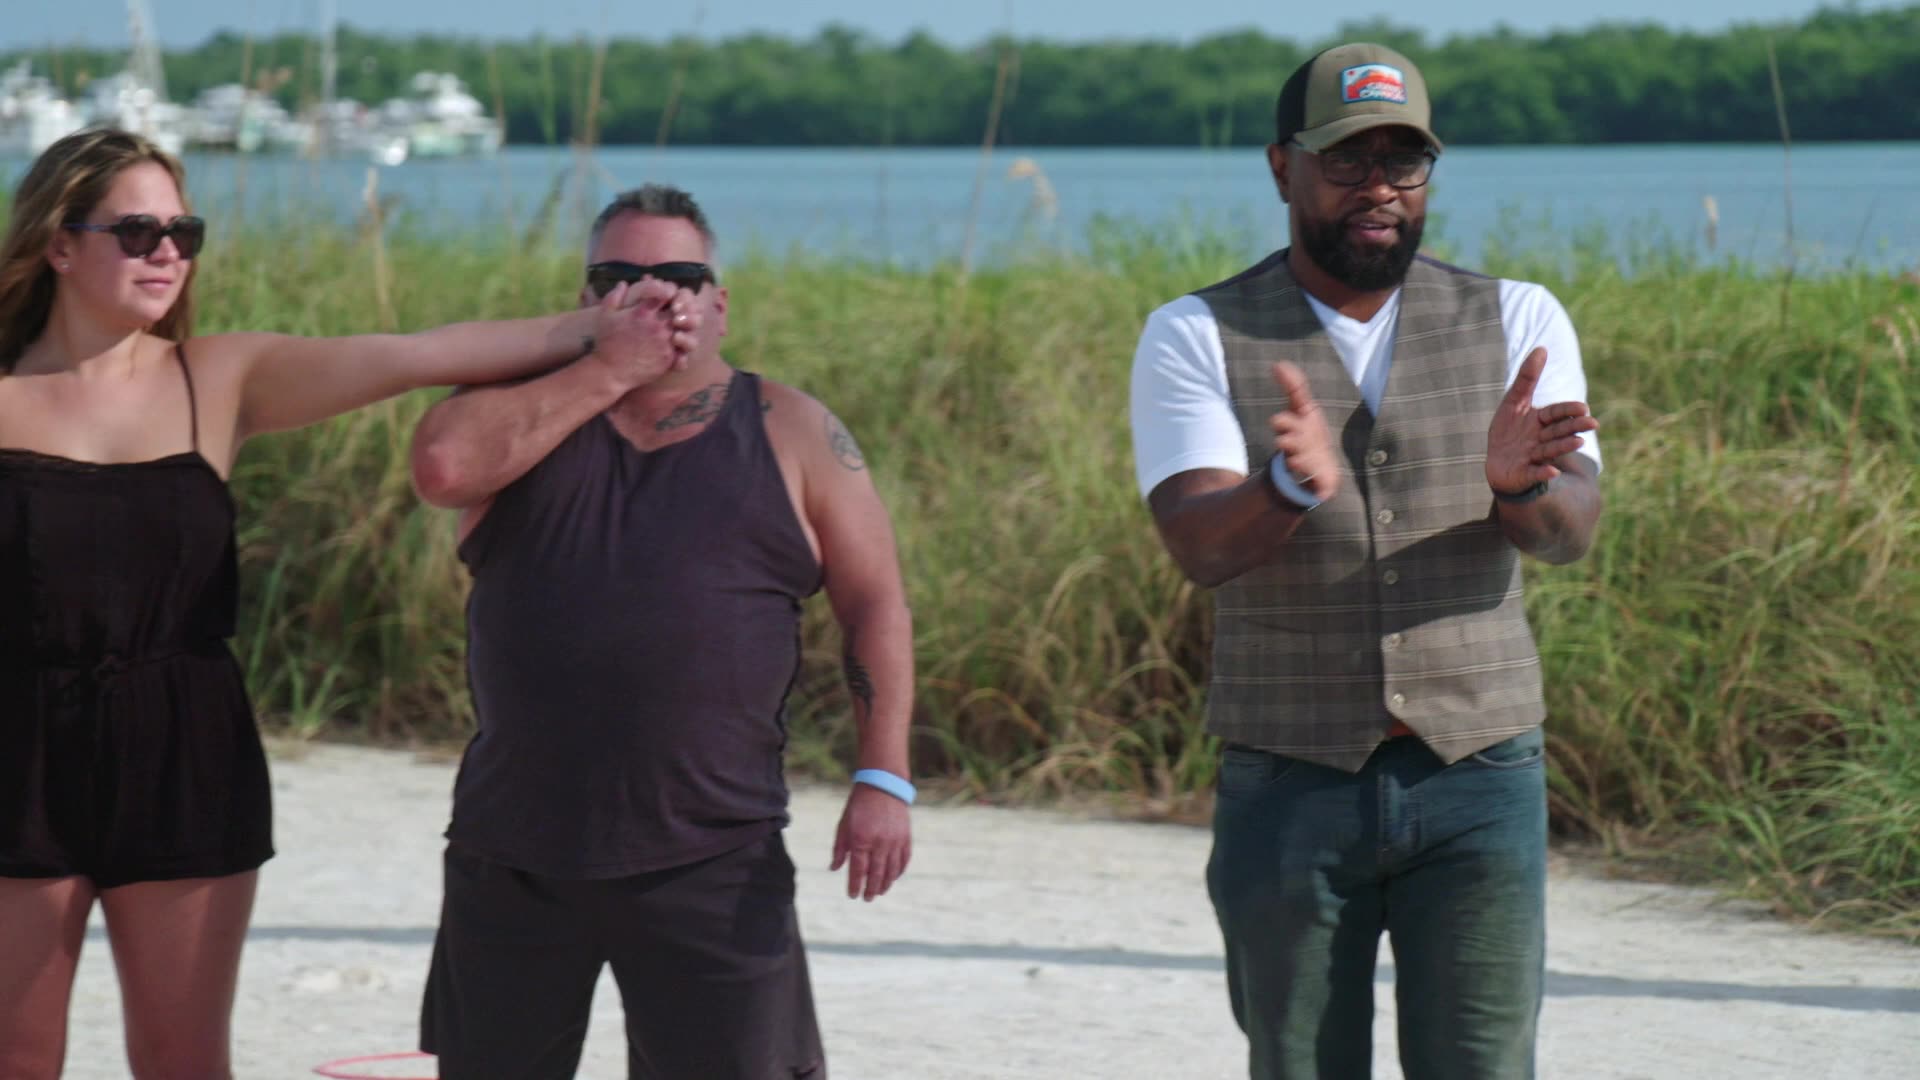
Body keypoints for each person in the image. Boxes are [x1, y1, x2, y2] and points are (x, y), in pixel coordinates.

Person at [0, 127, 698, 1079]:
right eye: (136, 231)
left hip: (184, 748)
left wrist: (603, 333)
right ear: (57, 243)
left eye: (183, 232)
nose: (166, 252)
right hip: (18, 745)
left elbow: (418, 354)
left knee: (184, 1060)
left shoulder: (218, 376)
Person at [1127, 43, 1604, 1080]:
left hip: (1481, 775)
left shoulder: (1518, 318)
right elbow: (1197, 544)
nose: (1378, 187)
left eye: (1404, 161)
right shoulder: (1195, 332)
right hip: (1288, 779)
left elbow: (1573, 532)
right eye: (1346, 160)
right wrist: (1283, 487)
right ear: (1281, 167)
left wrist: (1521, 490)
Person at [406, 183, 915, 1079]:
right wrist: (608, 367)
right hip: (515, 848)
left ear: (720, 302)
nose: (652, 296)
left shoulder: (791, 428)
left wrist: (882, 778)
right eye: (619, 279)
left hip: (713, 854)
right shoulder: (520, 412)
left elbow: (874, 603)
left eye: (679, 276)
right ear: (585, 299)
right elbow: (442, 469)